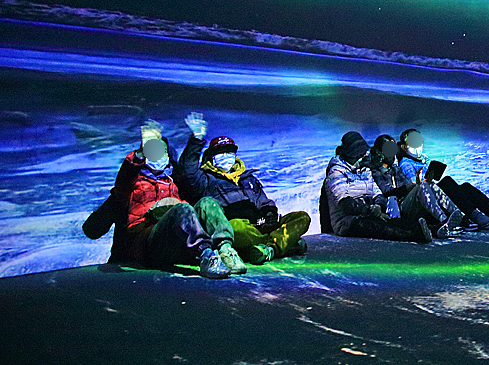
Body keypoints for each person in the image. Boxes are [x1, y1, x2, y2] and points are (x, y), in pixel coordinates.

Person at [82, 118, 240, 279]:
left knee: (207, 203)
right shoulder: (132, 184)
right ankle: (206, 255)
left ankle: (226, 250)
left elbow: (188, 173)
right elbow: (124, 178)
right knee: (181, 209)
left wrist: (197, 138)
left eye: (162, 151)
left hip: (175, 244)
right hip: (146, 243)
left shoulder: (175, 183)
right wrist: (141, 152)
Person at [176, 113, 311, 265]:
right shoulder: (205, 179)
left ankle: (266, 249)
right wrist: (197, 139)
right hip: (235, 228)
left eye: (229, 152)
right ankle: (280, 245)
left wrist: (269, 213)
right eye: (221, 153)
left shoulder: (248, 179)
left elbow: (264, 202)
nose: (226, 156)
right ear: (212, 156)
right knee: (238, 228)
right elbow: (187, 172)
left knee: (301, 218)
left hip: (258, 226)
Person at [396, 129, 489, 229]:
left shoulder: (422, 160)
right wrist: (425, 181)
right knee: (448, 182)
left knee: (464, 187)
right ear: (404, 146)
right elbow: (415, 188)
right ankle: (474, 214)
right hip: (425, 204)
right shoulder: (406, 164)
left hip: (432, 195)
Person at [322, 132, 432, 243]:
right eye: (359, 154)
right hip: (347, 221)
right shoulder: (336, 173)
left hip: (370, 214)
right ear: (351, 154)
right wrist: (369, 210)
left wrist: (378, 205)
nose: (363, 156)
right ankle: (416, 234)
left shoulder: (364, 171)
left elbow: (377, 192)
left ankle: (430, 228)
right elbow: (344, 203)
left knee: (393, 221)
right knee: (380, 228)